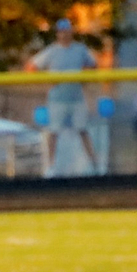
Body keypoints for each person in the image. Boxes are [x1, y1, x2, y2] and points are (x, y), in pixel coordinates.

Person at [26, 19, 99, 176]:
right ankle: (50, 167)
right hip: (57, 99)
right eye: (61, 32)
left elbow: (93, 64)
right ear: (58, 34)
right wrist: (46, 81)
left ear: (71, 32)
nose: (64, 35)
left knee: (83, 130)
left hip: (76, 97)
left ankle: (94, 165)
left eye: (67, 31)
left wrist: (85, 79)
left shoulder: (79, 49)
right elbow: (31, 66)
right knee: (53, 132)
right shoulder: (52, 51)